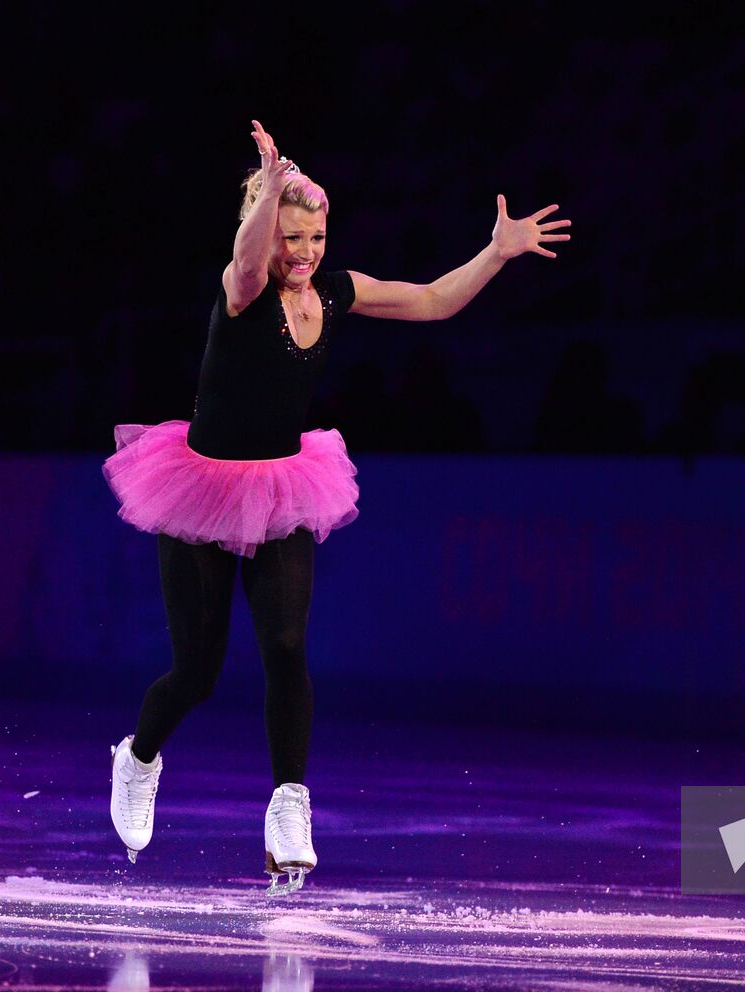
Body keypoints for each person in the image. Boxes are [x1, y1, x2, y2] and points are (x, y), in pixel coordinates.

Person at [102, 120, 570, 895]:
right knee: (198, 671)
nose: (306, 251)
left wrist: (495, 252)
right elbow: (247, 257)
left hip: (283, 484)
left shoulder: (333, 290)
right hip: (201, 487)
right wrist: (266, 181)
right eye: (293, 236)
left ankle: (289, 803)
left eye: (315, 235)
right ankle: (138, 758)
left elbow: (428, 301)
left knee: (286, 644)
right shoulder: (245, 289)